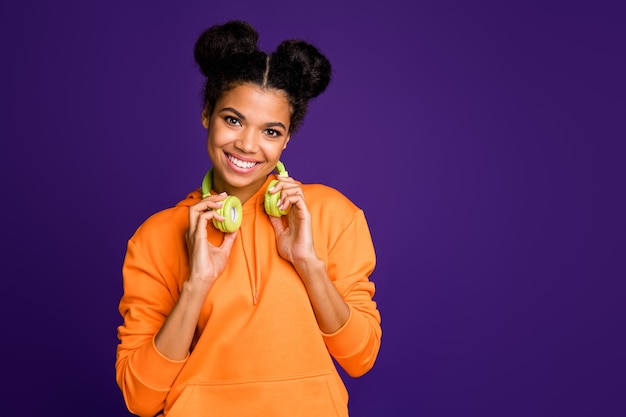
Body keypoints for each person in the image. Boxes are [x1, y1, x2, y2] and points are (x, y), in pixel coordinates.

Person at [115, 20, 381, 417]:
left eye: (271, 131)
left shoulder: (331, 214)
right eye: (233, 120)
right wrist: (196, 284)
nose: (247, 144)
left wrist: (308, 264)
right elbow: (139, 398)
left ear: (287, 138)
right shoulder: (157, 236)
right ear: (207, 114)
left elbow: (360, 357)